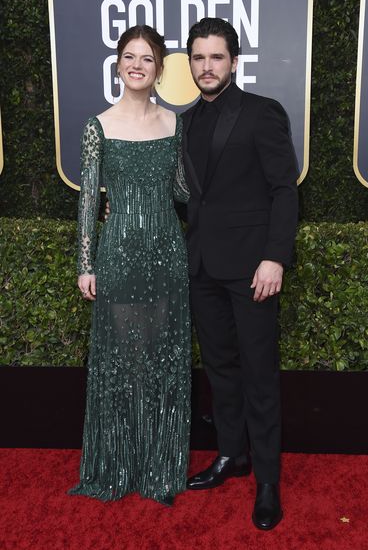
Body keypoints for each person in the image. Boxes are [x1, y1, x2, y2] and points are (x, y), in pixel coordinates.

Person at [182, 18, 299, 530]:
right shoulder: (185, 121)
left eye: (216, 57)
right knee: (221, 370)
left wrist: (274, 256)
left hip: (253, 269)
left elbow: (284, 189)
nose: (207, 66)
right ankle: (233, 455)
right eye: (198, 57)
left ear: (234, 61)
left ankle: (268, 479)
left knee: (258, 373)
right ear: (189, 64)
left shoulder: (262, 113)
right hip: (202, 267)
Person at [69, 25, 191, 506]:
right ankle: (119, 463)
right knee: (124, 363)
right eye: (129, 56)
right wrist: (85, 263)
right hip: (117, 254)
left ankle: (159, 463)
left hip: (167, 254)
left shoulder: (174, 125)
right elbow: (86, 202)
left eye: (147, 58)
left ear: (159, 69)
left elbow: (182, 192)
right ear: (118, 64)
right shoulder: (97, 126)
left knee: (161, 361)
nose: (137, 64)